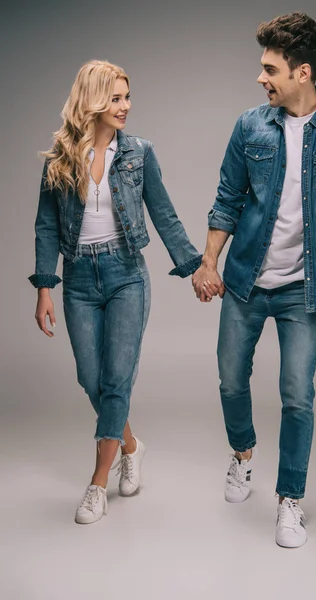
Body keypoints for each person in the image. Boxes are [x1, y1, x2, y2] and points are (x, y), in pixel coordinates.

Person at [192, 12, 316, 548]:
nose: (260, 77)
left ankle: (289, 499)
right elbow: (227, 198)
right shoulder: (249, 126)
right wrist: (209, 263)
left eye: (269, 68)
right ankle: (242, 455)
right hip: (246, 281)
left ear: (303, 71)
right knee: (229, 379)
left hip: (305, 289)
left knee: (297, 395)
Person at [29, 60, 202, 525]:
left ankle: (97, 483)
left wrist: (195, 267)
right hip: (79, 279)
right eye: (116, 98)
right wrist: (45, 287)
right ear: (93, 100)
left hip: (127, 274)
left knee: (117, 380)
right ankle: (131, 446)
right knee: (92, 379)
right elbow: (47, 227)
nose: (126, 106)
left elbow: (163, 214)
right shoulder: (61, 157)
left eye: (127, 97)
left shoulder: (139, 153)